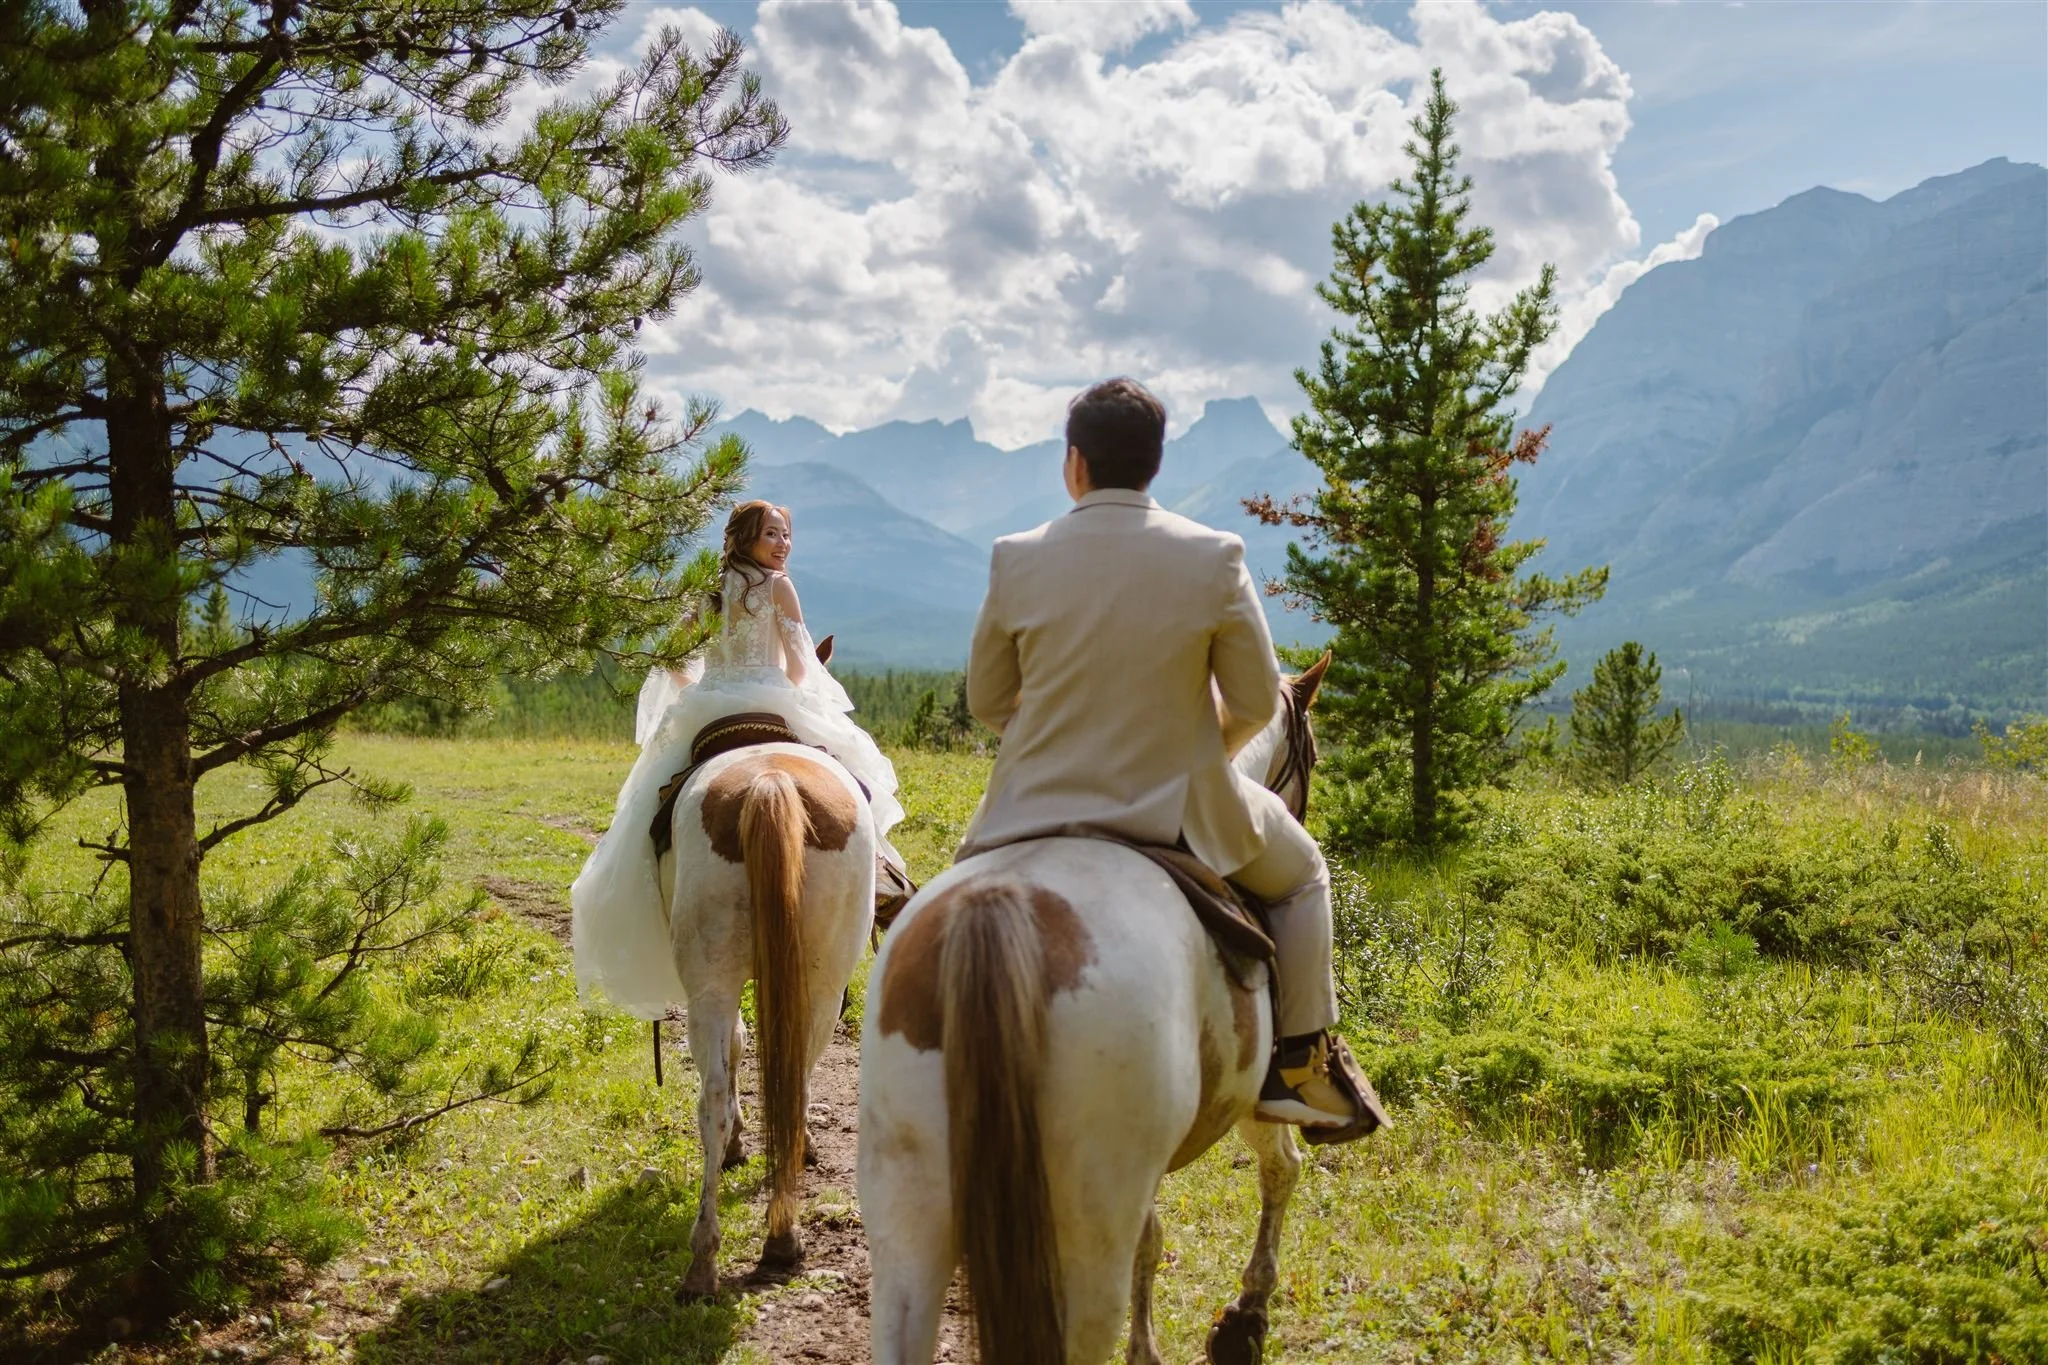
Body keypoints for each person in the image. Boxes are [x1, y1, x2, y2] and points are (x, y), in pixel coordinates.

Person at [957, 377, 1381, 1142]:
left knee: (939, 900)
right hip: (1178, 806)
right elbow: (1256, 702)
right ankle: (1297, 1065)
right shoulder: (1215, 555)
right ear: (1154, 464)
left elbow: (989, 700)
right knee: (1303, 873)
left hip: (1033, 802)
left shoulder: (1014, 557)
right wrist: (1189, 756)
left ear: (1073, 465)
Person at [572, 500, 908, 1020]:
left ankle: (656, 887)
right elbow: (801, 667)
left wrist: (712, 685)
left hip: (712, 705)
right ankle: (882, 880)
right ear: (746, 537)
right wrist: (787, 687)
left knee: (653, 804)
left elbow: (675, 666)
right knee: (850, 774)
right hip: (772, 701)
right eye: (772, 534)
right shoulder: (779, 588)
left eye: (786, 535)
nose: (783, 545)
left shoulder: (706, 592)